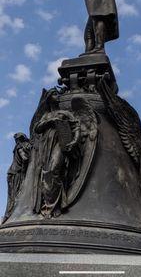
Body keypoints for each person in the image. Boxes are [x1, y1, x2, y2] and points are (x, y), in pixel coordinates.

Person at [33, 88, 81, 218]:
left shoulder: (65, 113)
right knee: (46, 173)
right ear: (49, 98)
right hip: (46, 145)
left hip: (61, 143)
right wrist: (50, 121)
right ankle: (48, 205)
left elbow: (76, 127)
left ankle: (56, 205)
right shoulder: (46, 116)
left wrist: (75, 141)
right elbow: (37, 128)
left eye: (57, 94)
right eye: (54, 94)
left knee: (54, 170)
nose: (57, 96)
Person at [3, 132, 32, 223]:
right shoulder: (20, 147)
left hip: (15, 173)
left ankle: (10, 215)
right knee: (15, 195)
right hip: (15, 174)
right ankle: (10, 215)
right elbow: (24, 158)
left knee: (16, 195)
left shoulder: (22, 146)